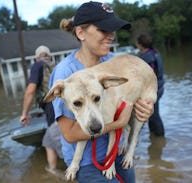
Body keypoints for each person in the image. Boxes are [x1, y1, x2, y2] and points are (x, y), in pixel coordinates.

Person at [48, 2, 154, 182]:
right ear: (81, 33)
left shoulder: (115, 61)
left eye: (112, 30)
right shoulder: (65, 73)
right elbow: (70, 134)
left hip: (118, 151)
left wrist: (144, 110)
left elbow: (129, 98)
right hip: (88, 163)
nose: (110, 36)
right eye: (103, 30)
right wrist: (118, 123)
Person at [20, 45, 63, 175]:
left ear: (36, 58)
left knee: (59, 138)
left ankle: (77, 168)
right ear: (49, 56)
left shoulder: (37, 65)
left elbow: (30, 91)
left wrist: (24, 113)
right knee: (48, 141)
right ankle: (53, 170)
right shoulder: (57, 65)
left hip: (52, 107)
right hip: (62, 104)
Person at [137, 34, 165, 136]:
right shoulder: (155, 53)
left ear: (140, 45)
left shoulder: (147, 56)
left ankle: (159, 136)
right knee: (151, 113)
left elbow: (150, 74)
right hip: (160, 86)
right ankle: (154, 137)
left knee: (153, 114)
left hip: (153, 89)